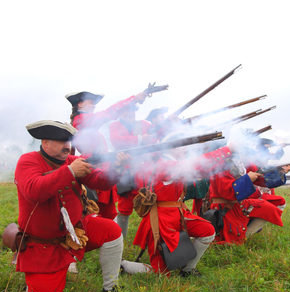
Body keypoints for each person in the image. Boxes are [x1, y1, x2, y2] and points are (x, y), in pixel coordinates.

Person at [14, 120, 126, 292]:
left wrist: (117, 168)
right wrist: (70, 172)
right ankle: (36, 282)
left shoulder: (72, 161)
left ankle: (110, 288)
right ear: (45, 142)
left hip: (76, 232)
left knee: (112, 231)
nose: (67, 146)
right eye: (61, 141)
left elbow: (100, 182)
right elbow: (34, 191)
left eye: (69, 141)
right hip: (45, 245)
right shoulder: (28, 161)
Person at [121, 142, 233, 276]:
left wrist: (226, 155)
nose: (186, 147)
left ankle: (188, 269)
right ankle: (123, 265)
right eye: (181, 144)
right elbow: (197, 165)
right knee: (161, 274)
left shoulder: (173, 163)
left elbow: (203, 169)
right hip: (160, 221)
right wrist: (226, 150)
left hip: (177, 214)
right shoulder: (164, 165)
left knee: (207, 231)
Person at [66, 90, 148, 220]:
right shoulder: (81, 120)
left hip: (99, 167)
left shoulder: (86, 121)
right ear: (80, 104)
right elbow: (108, 113)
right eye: (90, 101)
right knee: (97, 217)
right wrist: (133, 98)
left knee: (107, 215)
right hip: (93, 169)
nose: (93, 105)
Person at [108, 103, 153, 240]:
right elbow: (117, 142)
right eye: (127, 110)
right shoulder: (114, 126)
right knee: (124, 208)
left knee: (151, 203)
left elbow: (154, 137)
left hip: (144, 171)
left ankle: (151, 237)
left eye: (132, 110)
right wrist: (140, 139)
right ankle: (120, 240)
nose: (130, 113)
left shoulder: (144, 124)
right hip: (126, 172)